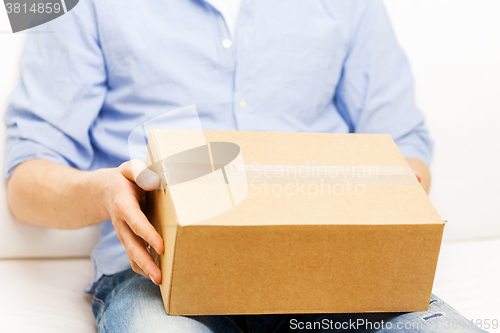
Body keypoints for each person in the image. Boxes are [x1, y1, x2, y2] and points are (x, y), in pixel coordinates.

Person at [4, 0, 485, 332]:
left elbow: (406, 142)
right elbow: (23, 181)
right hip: (159, 273)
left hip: (329, 269)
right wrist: (109, 191)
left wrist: (394, 192)